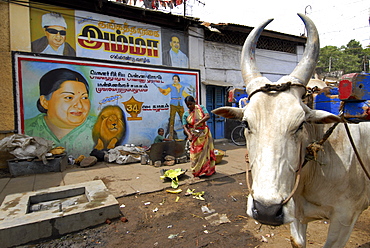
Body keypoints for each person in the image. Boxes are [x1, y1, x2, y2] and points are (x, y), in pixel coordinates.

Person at [25, 68, 96, 158]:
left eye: (84, 98)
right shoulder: (27, 129)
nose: (79, 106)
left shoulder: (102, 127)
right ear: (45, 102)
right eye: (69, 97)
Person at [182, 95, 216, 177]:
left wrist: (198, 123)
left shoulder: (201, 108)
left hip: (204, 134)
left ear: (194, 102)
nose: (190, 106)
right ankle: (196, 172)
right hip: (194, 136)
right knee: (195, 154)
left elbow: (207, 116)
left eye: (191, 104)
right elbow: (184, 126)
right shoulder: (185, 114)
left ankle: (208, 170)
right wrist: (189, 134)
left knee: (206, 153)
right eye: (188, 105)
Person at [158, 75, 189, 139]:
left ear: (178, 80)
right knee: (172, 119)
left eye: (176, 79)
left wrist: (192, 98)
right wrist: (161, 90)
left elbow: (185, 94)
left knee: (183, 118)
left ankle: (187, 133)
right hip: (173, 104)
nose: (174, 80)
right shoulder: (171, 87)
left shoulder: (181, 87)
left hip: (180, 104)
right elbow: (166, 92)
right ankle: (171, 135)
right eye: (174, 79)